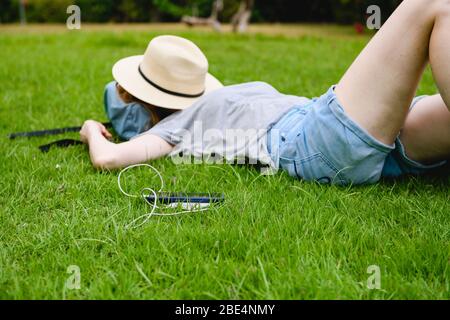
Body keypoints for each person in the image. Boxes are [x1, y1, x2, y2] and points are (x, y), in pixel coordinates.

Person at [80, 0, 450, 185]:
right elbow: (108, 160)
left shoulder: (206, 107)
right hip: (314, 139)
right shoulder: (176, 127)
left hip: (336, 125)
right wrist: (89, 131)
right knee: (431, 5)